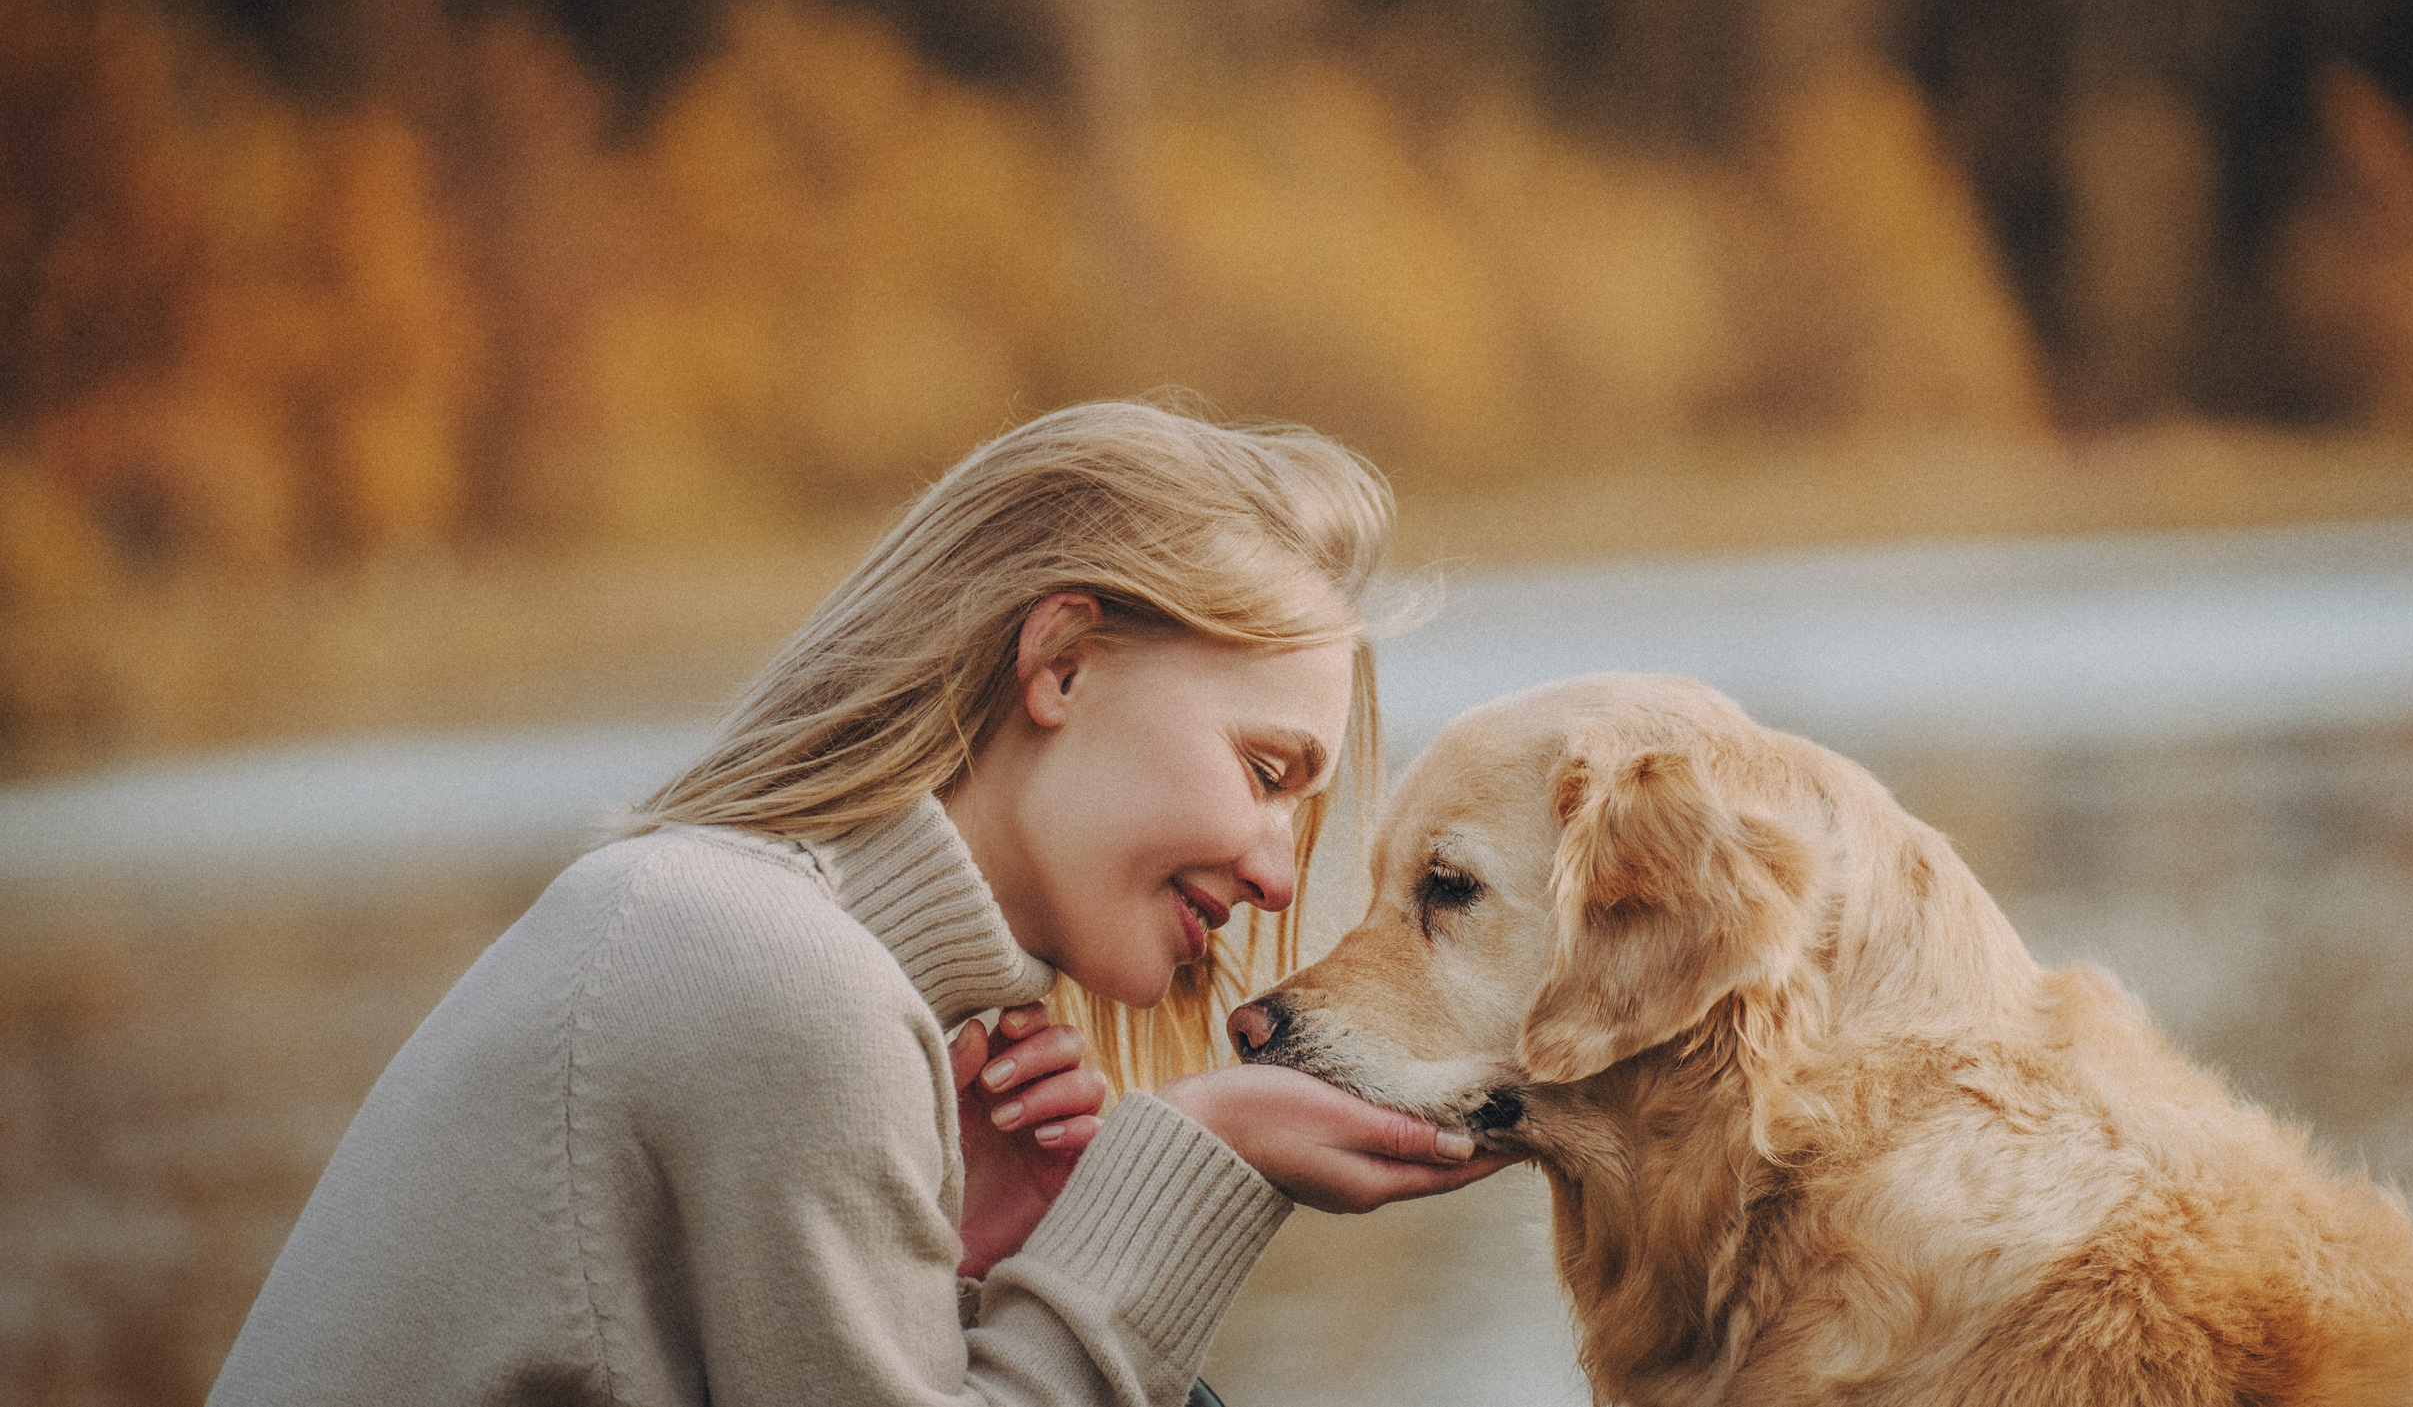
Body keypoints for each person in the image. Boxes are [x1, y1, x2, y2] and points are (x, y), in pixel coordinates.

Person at [208, 400, 1513, 1407]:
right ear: (1059, 662)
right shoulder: (776, 974)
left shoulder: (741, 933)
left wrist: (960, 1273)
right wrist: (1186, 1163)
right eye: (1264, 770)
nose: (1281, 870)